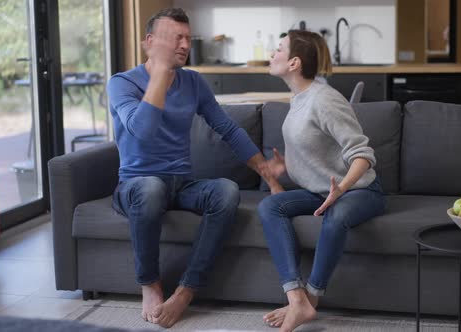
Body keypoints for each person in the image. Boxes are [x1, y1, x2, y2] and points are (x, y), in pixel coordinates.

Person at [106, 7, 281, 328]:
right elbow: (141, 130)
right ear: (151, 42)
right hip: (135, 186)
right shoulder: (122, 83)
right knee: (150, 187)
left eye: (187, 37)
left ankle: (186, 292)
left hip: (180, 185)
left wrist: (264, 170)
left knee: (226, 191)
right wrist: (159, 75)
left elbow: (227, 128)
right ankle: (150, 284)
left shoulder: (193, 82)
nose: (185, 45)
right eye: (176, 38)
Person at [258, 30, 386, 332]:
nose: (272, 54)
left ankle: (311, 300)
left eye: (278, 49)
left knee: (336, 213)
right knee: (269, 207)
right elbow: (318, 151)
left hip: (359, 190)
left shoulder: (324, 99)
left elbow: (363, 155)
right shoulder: (299, 98)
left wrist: (341, 189)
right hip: (320, 191)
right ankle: (296, 297)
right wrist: (285, 166)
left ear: (294, 62)